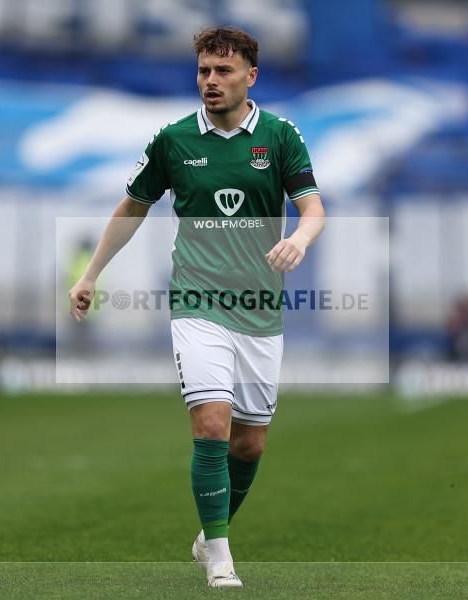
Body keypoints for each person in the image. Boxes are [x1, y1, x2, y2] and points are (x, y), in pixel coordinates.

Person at [67, 27, 325, 587]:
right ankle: (222, 561)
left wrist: (300, 240)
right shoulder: (174, 140)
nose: (211, 80)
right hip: (197, 300)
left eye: (223, 71)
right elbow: (132, 207)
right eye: (204, 70)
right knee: (211, 423)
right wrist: (91, 273)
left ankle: (208, 536)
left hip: (259, 308)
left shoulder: (280, 136)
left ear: (251, 76)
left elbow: (313, 209)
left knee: (249, 443)